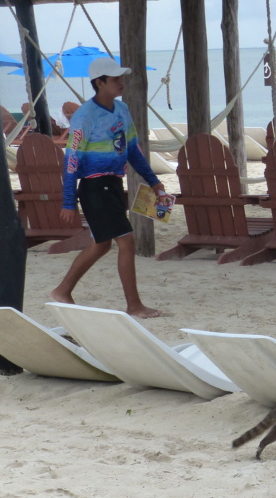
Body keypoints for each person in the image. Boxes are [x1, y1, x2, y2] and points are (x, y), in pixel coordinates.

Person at [52, 58, 167, 319]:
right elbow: (71, 161)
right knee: (127, 242)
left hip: (113, 184)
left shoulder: (122, 110)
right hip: (94, 186)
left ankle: (62, 290)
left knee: (102, 245)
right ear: (99, 82)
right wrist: (68, 201)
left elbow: (132, 151)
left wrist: (154, 181)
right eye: (115, 79)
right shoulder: (84, 116)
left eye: (121, 78)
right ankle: (134, 306)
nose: (121, 83)